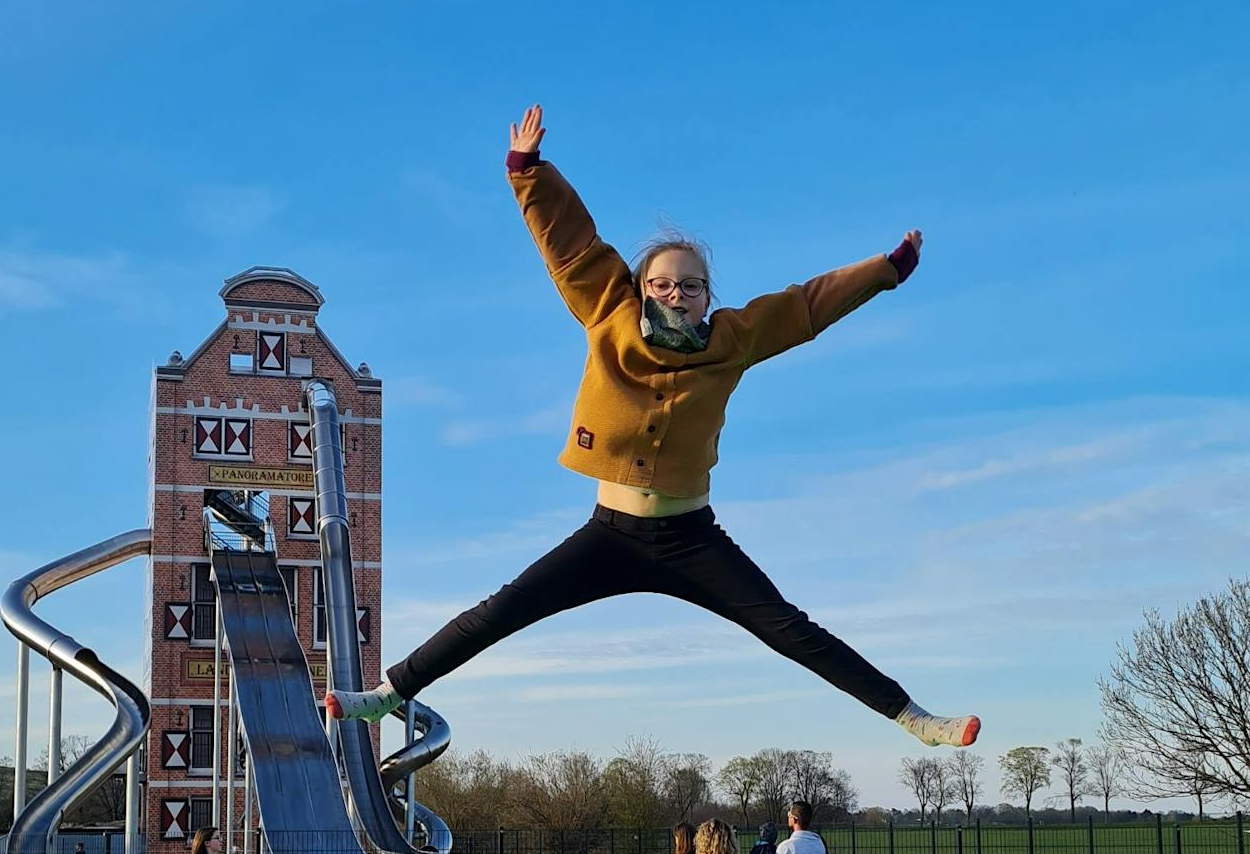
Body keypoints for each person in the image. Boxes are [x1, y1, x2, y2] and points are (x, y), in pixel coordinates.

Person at [326, 105, 979, 752]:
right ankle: (387, 694)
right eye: (663, 284)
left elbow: (806, 306)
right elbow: (571, 244)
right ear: (642, 287)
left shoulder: (733, 339)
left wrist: (886, 271)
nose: (676, 294)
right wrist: (527, 172)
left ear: (708, 295)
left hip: (692, 540)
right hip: (609, 534)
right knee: (501, 611)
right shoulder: (607, 311)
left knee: (788, 628)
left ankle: (914, 717)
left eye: (691, 286)